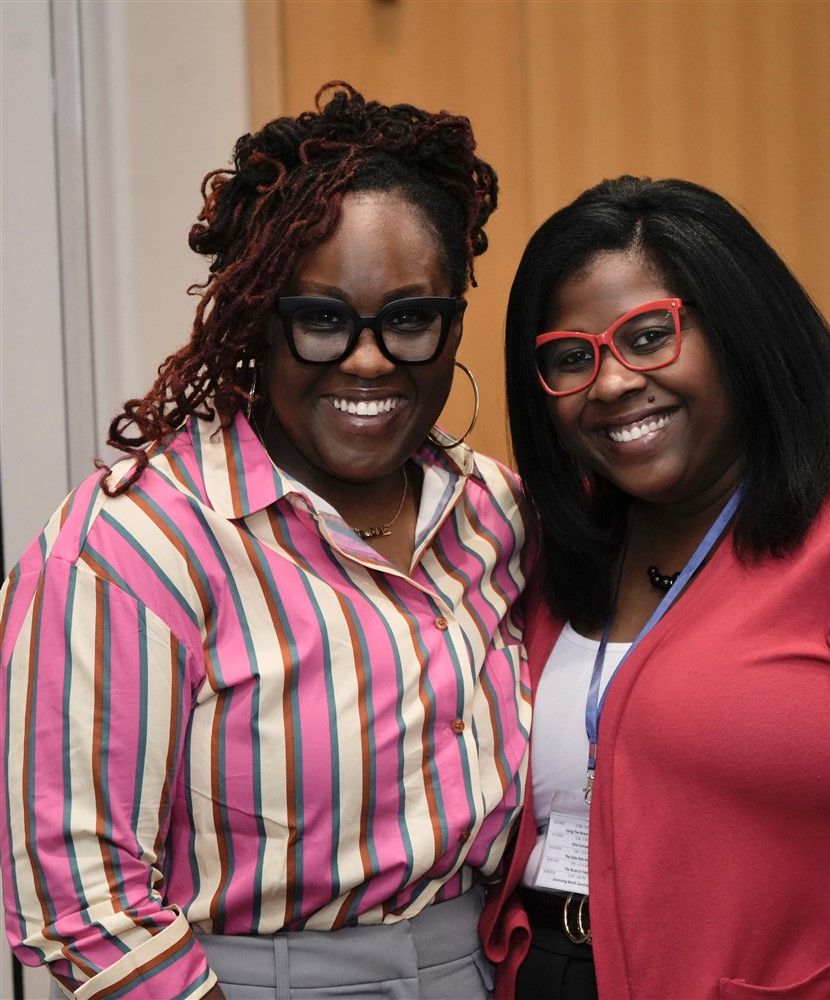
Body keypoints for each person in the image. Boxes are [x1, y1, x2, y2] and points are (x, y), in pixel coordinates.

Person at [0, 82, 531, 1000]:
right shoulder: (133, 544)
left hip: (478, 968)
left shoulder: (496, 512)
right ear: (261, 323)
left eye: (410, 319)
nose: (369, 359)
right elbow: (75, 898)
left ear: (452, 325)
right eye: (322, 319)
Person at [481, 176, 830, 999]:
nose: (610, 383)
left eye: (649, 337)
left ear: (741, 330)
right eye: (571, 358)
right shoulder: (555, 537)